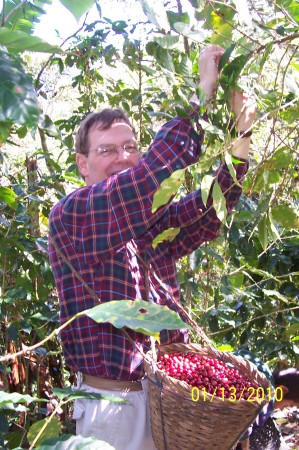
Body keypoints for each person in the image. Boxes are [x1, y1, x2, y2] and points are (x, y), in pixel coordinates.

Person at [48, 45, 256, 450]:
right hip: (114, 409)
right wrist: (204, 94)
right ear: (82, 163)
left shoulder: (146, 224)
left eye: (130, 147)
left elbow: (205, 214)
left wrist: (240, 139)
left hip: (169, 399)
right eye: (107, 150)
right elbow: (147, 178)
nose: (123, 158)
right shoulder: (73, 217)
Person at [237, 367, 299, 450]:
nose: (281, 409)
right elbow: (244, 428)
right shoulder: (263, 405)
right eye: (287, 405)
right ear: (282, 390)